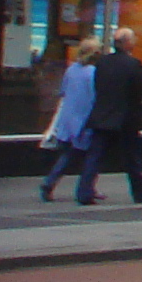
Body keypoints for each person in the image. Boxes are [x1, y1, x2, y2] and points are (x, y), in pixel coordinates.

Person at [78, 28, 142, 206]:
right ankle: (141, 193)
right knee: (131, 158)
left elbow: (98, 86)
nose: (135, 42)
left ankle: (84, 191)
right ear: (126, 43)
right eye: (133, 39)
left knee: (95, 156)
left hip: (102, 115)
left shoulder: (102, 63)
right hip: (125, 117)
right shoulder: (133, 64)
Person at [36, 39, 103, 201]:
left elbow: (64, 93)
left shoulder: (71, 70)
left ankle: (50, 182)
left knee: (68, 154)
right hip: (85, 119)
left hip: (68, 119)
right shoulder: (93, 73)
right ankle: (85, 187)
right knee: (91, 156)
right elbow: (95, 97)